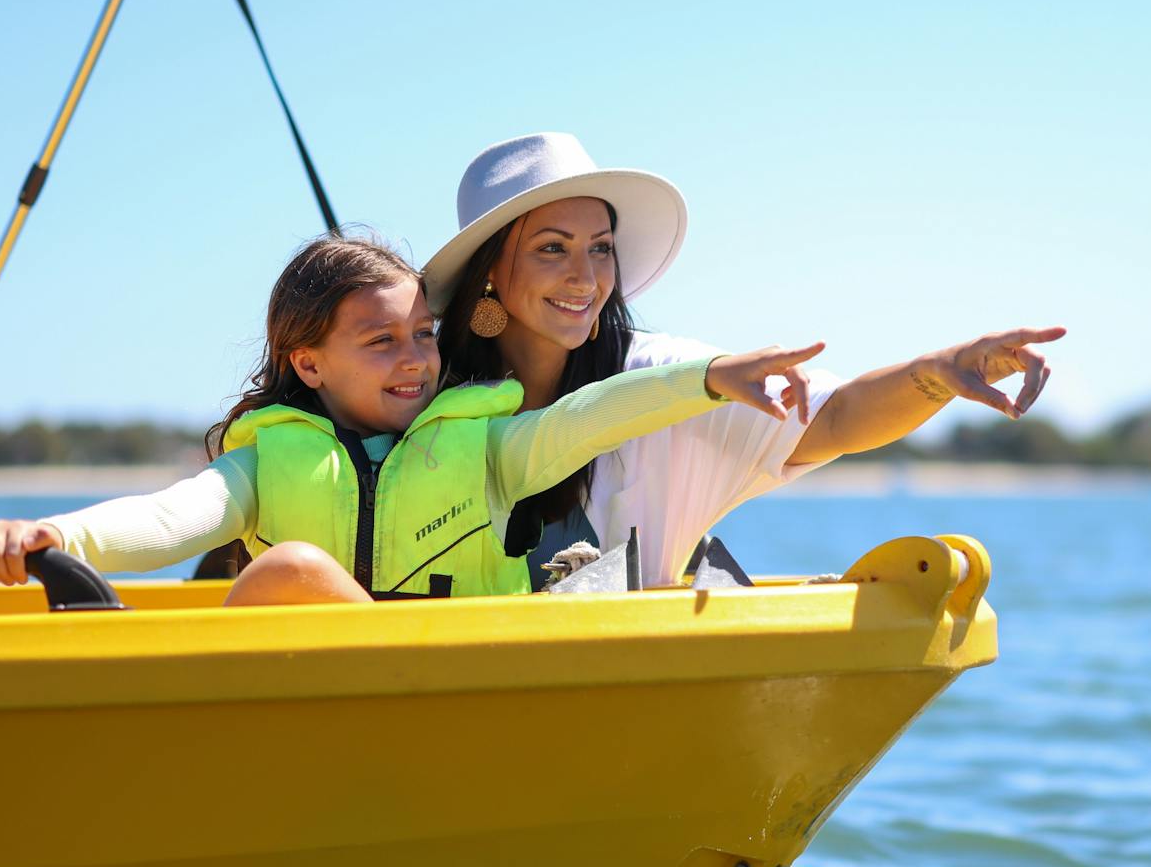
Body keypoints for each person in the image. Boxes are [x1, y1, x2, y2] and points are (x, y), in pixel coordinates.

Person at [0, 232, 823, 602]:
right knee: (289, 573)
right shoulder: (263, 464)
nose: (414, 358)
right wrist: (52, 538)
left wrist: (707, 379)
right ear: (309, 363)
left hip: (463, 705)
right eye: (380, 342)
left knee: (290, 572)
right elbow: (165, 519)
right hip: (330, 720)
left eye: (422, 335)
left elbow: (589, 419)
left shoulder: (488, 450)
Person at [425, 133, 1066, 587]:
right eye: (552, 248)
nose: (586, 277)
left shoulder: (666, 375)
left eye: (600, 248)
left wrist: (935, 374)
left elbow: (836, 417)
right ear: (489, 271)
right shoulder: (423, 392)